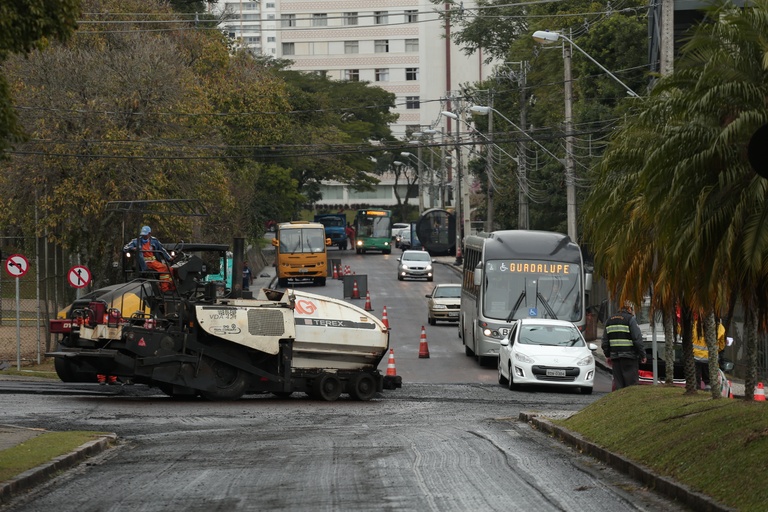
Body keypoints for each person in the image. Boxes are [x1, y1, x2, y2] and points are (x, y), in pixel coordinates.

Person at [602, 300, 647, 390]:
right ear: (629, 309)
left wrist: (608, 355)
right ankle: (630, 402)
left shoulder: (609, 320)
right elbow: (637, 339)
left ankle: (619, 402)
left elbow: (605, 342)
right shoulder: (630, 319)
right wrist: (643, 355)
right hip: (629, 357)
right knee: (631, 385)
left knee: (619, 384)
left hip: (615, 357)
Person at [123, 225, 175, 292]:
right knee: (165, 269)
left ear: (149, 234)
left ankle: (170, 287)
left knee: (171, 269)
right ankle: (164, 289)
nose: (144, 236)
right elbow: (125, 248)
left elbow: (162, 249)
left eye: (145, 234)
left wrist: (169, 258)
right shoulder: (136, 241)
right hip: (144, 263)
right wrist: (133, 248)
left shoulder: (154, 241)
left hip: (153, 261)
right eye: (142, 235)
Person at [692, 313, 727, 390]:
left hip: (696, 357)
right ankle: (709, 390)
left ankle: (696, 390)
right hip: (710, 359)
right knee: (709, 380)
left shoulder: (695, 325)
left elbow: (690, 338)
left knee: (696, 379)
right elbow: (721, 345)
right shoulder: (720, 328)